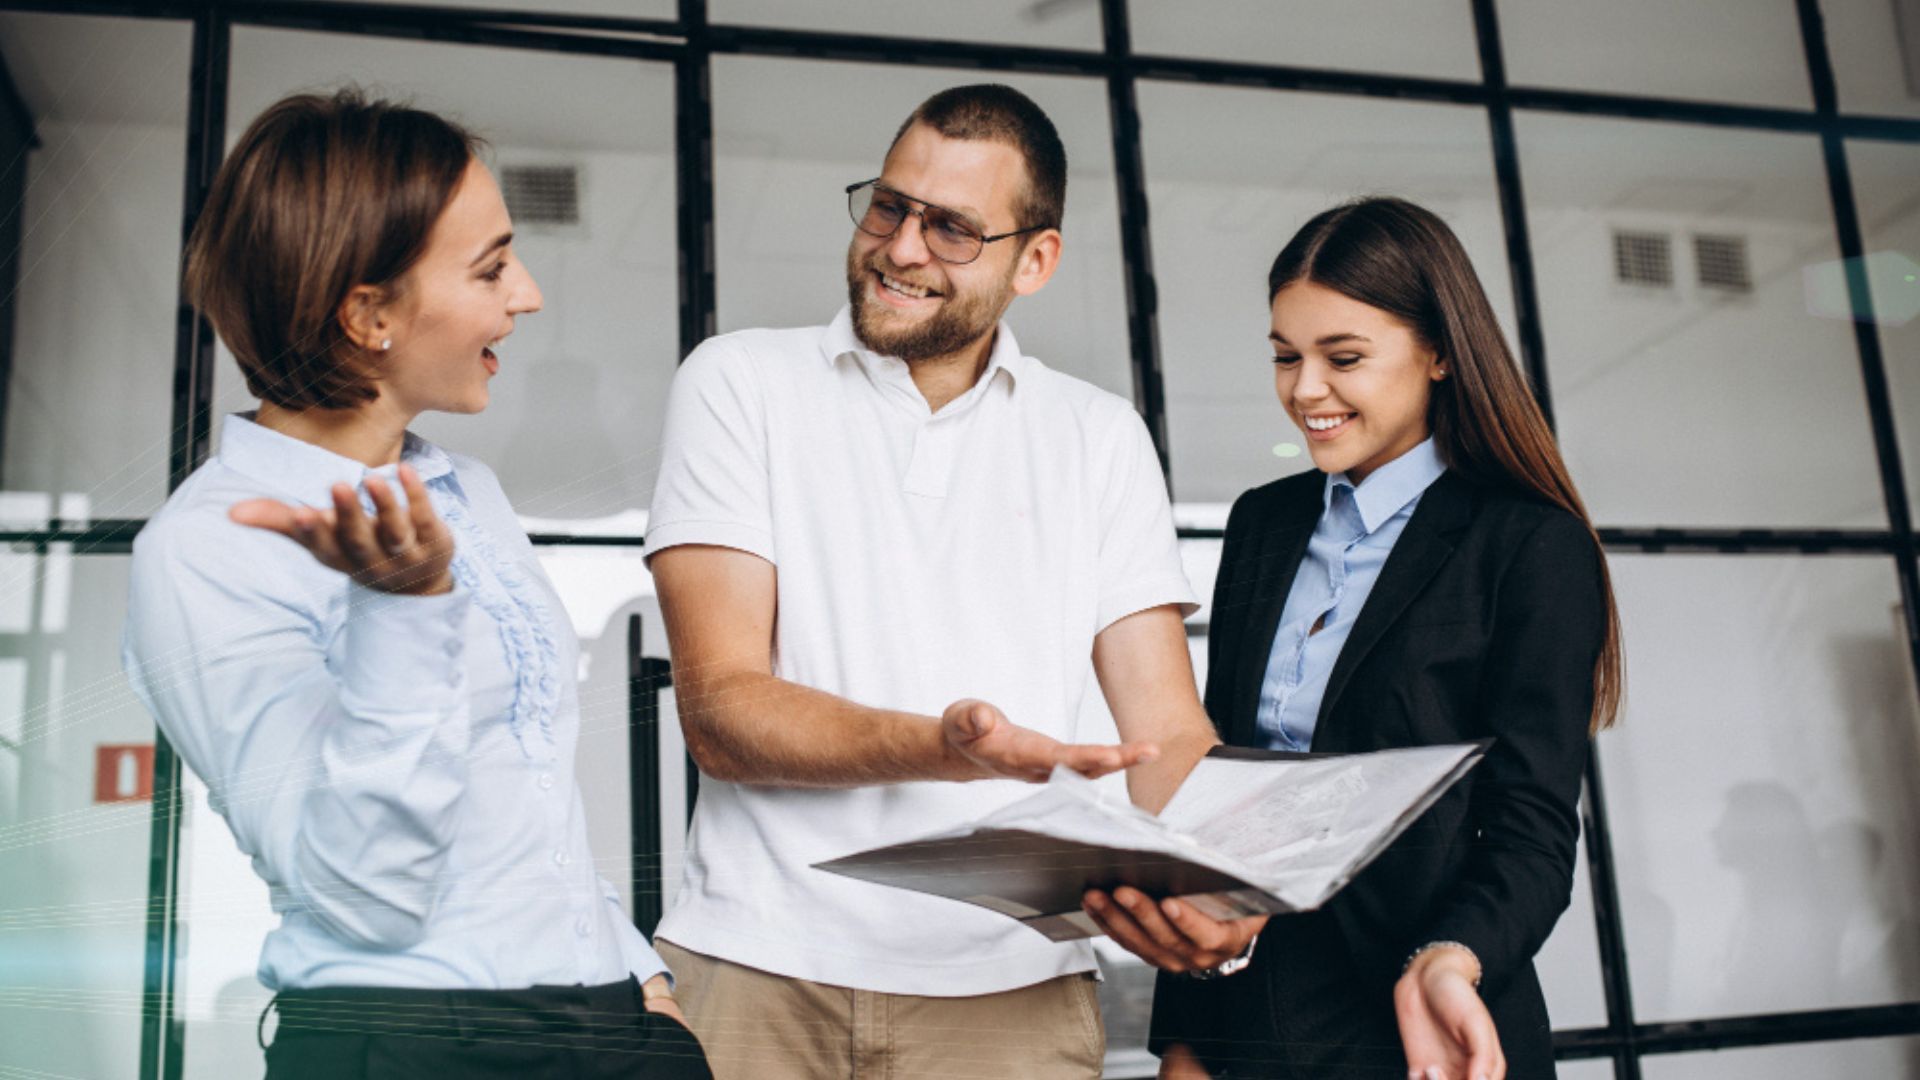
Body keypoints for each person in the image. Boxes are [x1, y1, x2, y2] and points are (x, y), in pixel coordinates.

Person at [121, 90, 710, 1080]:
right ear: (368, 315)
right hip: (417, 1043)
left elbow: (519, 789)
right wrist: (402, 610)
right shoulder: (204, 551)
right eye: (490, 269)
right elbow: (363, 889)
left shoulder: (462, 489)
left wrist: (640, 986)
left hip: (610, 1021)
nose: (527, 295)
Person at [643, 83, 1220, 1078]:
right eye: (890, 205)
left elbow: (1163, 735)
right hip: (755, 973)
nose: (902, 248)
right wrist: (947, 749)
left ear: (1035, 260)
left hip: (1013, 1001)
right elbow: (721, 713)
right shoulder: (738, 384)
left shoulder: (1099, 437)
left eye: (953, 228)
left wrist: (1229, 899)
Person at [1084, 197, 1623, 1080]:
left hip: (1417, 1019)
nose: (1305, 390)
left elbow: (1530, 831)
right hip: (1246, 1017)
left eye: (1343, 358)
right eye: (1285, 357)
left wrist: (1452, 957)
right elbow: (1225, 790)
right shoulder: (1264, 523)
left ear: (1441, 352)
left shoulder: (1528, 544)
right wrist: (1187, 1038)